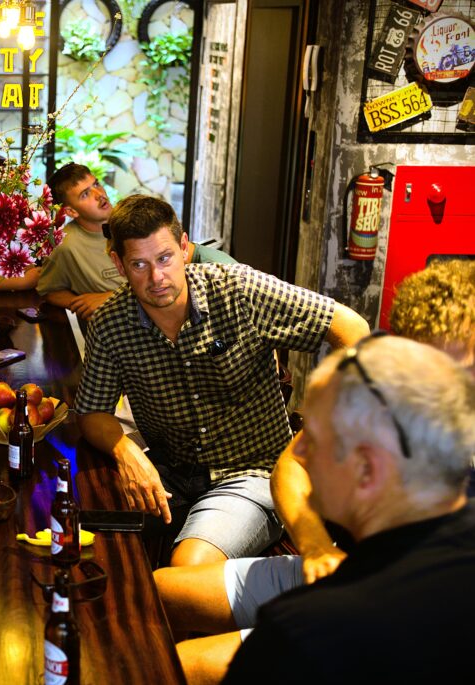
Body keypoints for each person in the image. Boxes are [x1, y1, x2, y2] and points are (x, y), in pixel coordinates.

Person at [156, 258, 475, 684]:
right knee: (155, 591)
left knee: (182, 666)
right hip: (345, 568)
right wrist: (314, 543)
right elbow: (292, 462)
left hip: (395, 610)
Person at [74, 195, 369, 569]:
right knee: (80, 542)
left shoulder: (238, 289)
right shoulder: (110, 324)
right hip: (170, 473)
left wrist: (325, 422)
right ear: (118, 264)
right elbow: (91, 412)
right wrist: (126, 452)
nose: (157, 277)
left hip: (252, 474)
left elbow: (352, 329)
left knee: (187, 571)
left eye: (164, 258)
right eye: (139, 264)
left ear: (184, 249)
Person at [222, 335, 475, 683]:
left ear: (368, 468)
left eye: (318, 440)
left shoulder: (296, 635)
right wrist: (315, 547)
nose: (299, 453)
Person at [37, 164, 235, 321]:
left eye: (96, 184)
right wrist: (80, 303)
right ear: (71, 211)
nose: (100, 195)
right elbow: (49, 290)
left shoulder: (130, 218)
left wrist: (110, 299)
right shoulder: (66, 245)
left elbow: (192, 253)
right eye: (85, 194)